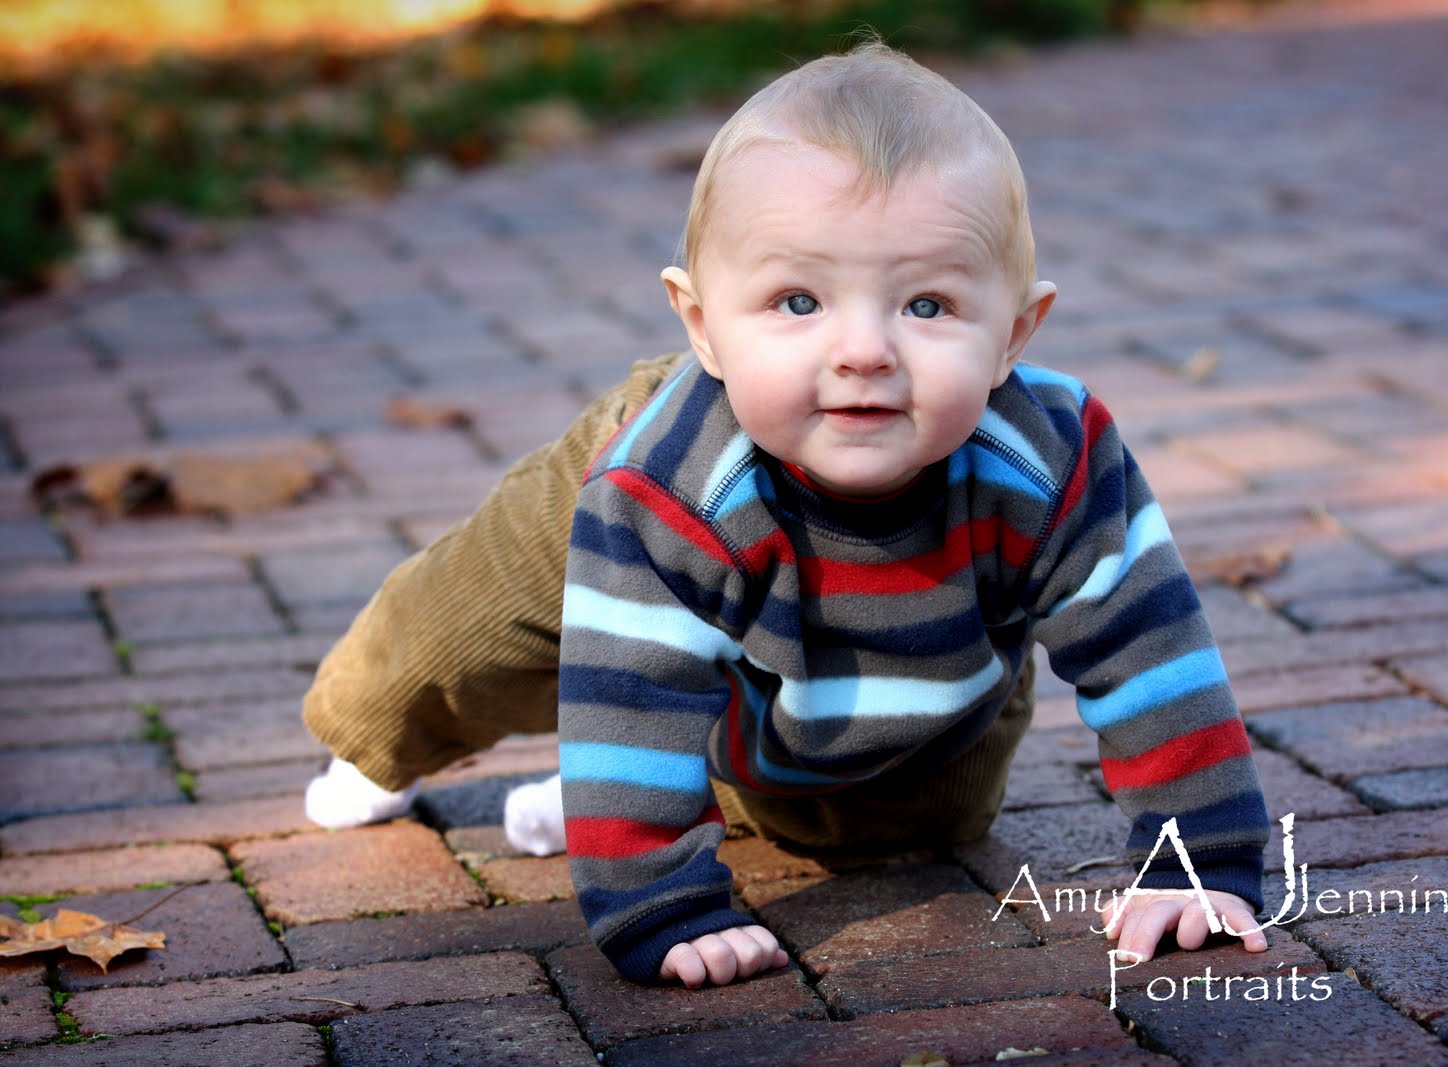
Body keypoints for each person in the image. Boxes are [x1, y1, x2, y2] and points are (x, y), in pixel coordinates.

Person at [302, 40, 1272, 989]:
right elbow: (633, 686)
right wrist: (660, 901)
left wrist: (1199, 858)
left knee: (886, 807)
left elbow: (1149, 652)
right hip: (678, 483)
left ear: (1015, 331)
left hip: (903, 614)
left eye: (926, 305)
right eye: (798, 299)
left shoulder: (1050, 457)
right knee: (450, 642)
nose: (862, 350)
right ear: (701, 323)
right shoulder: (666, 478)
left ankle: (636, 790)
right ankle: (402, 747)